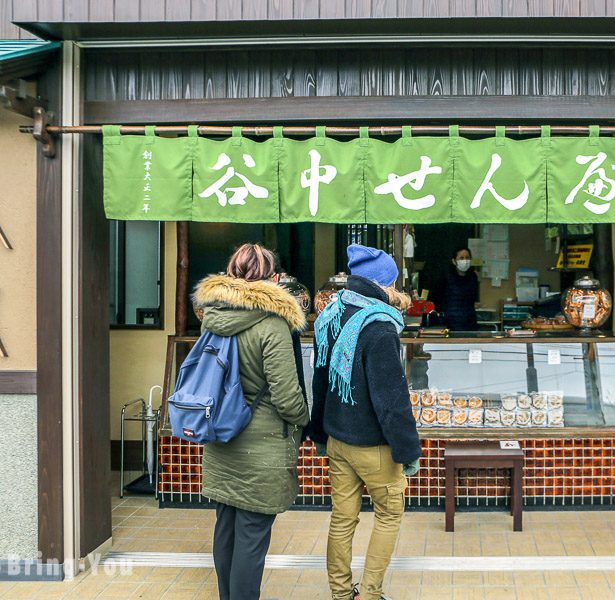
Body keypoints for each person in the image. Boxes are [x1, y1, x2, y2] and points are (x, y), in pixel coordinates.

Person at [193, 243, 310, 600]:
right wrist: (305, 420)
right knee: (251, 538)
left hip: (220, 437)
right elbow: (287, 396)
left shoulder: (212, 319)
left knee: (225, 527)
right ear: (274, 279)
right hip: (260, 449)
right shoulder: (273, 325)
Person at [309, 244, 421, 600]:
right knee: (388, 516)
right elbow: (392, 401)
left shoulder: (332, 313)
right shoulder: (379, 327)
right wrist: (407, 449)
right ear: (383, 282)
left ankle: (341, 594)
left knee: (342, 520)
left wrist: (319, 431)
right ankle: (370, 595)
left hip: (339, 439)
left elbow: (320, 378)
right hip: (374, 447)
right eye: (393, 280)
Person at [439, 247, 479, 332]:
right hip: (450, 322)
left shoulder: (473, 277)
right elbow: (439, 297)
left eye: (467, 258)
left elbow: (475, 298)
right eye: (461, 258)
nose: (465, 260)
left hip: (469, 322)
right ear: (454, 261)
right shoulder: (446, 277)